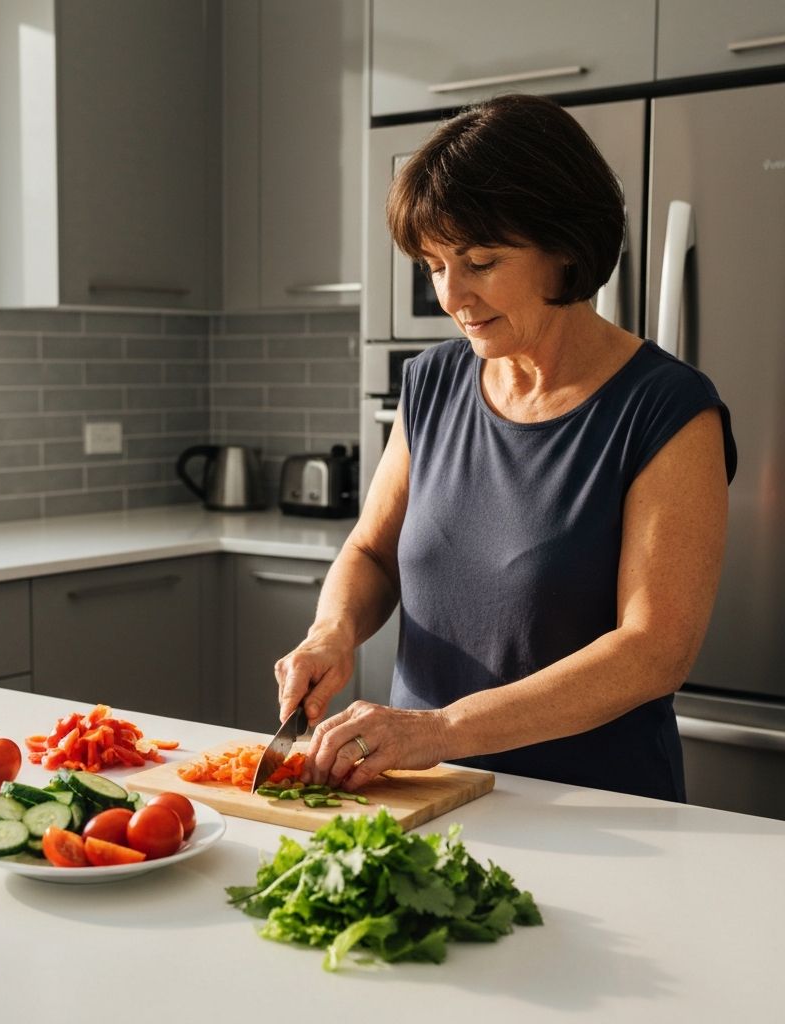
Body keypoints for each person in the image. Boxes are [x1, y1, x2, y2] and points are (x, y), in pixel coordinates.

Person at [275, 93, 737, 802]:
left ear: (566, 246)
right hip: (423, 799)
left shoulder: (667, 408)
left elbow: (653, 651)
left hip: (597, 813)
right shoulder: (432, 383)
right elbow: (372, 552)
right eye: (434, 266)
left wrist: (441, 729)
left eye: (481, 261)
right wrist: (330, 634)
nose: (452, 296)